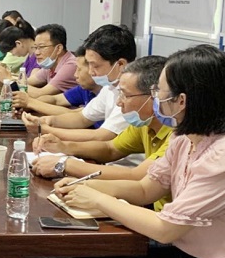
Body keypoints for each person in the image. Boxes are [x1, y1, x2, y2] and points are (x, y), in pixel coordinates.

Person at [55, 45, 225, 258]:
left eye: (158, 92)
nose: (156, 98)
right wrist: (84, 186)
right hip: (192, 257)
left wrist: (98, 199)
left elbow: (164, 229)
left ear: (181, 100)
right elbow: (146, 189)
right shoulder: (185, 137)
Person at [32, 57, 173, 211]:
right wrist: (64, 146)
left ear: (155, 96)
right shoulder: (145, 123)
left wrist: (66, 164)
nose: (119, 102)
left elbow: (137, 177)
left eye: (126, 95)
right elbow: (110, 149)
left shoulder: (176, 134)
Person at [23, 24, 134, 142]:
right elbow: (82, 118)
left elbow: (102, 136)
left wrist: (45, 129)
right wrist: (47, 121)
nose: (90, 72)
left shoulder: (133, 93)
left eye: (95, 66)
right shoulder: (110, 88)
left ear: (120, 64)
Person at [13, 46, 102, 118]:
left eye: (79, 69)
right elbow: (56, 100)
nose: (75, 75)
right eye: (36, 47)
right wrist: (28, 106)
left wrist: (30, 102)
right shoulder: (84, 89)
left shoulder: (105, 93)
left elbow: (76, 115)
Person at [26, 24, 78, 97]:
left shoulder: (71, 65)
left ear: (59, 49)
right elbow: (28, 81)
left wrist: (13, 83)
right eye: (35, 47)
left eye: (41, 47)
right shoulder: (50, 63)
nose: (36, 53)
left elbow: (40, 94)